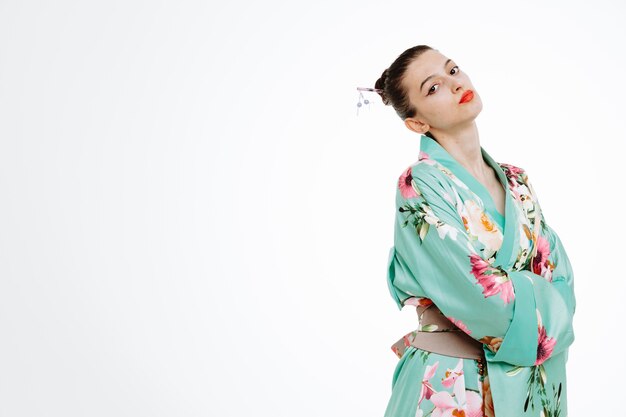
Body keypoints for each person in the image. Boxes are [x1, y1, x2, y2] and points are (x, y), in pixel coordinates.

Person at [376, 45, 576, 417]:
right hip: (451, 383)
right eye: (432, 87)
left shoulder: (517, 181)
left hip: (530, 384)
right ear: (417, 124)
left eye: (452, 71)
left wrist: (528, 294)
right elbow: (475, 293)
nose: (454, 84)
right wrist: (537, 299)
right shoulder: (420, 185)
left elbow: (560, 277)